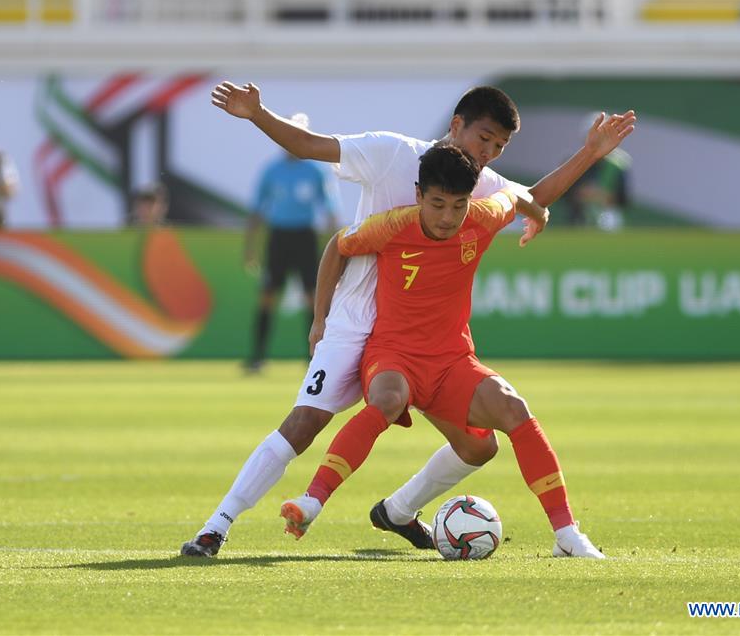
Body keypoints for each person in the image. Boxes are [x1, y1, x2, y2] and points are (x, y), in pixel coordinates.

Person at [179, 80, 634, 557]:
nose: (490, 154)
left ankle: (397, 511)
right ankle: (217, 525)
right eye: (484, 139)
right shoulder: (391, 152)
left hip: (428, 342)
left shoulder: (477, 183)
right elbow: (308, 146)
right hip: (358, 323)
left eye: (500, 146)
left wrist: (587, 158)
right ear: (456, 125)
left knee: (479, 447)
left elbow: (531, 195)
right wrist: (257, 114)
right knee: (304, 423)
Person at [280, 144, 603, 558]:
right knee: (388, 399)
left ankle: (566, 535)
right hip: (392, 355)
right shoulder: (392, 226)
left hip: (452, 362)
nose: (448, 217)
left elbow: (521, 196)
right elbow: (337, 248)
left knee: (506, 418)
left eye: (458, 205)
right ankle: (312, 501)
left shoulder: (483, 217)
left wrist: (541, 210)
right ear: (418, 196)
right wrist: (319, 320)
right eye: (437, 205)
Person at [243, 113, 338, 372]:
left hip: (305, 237)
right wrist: (250, 247)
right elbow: (257, 210)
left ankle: (315, 357)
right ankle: (257, 357)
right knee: (267, 296)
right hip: (279, 237)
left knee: (313, 299)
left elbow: (330, 209)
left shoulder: (316, 169)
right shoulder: (271, 170)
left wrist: (338, 245)